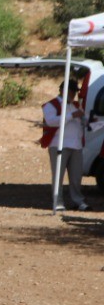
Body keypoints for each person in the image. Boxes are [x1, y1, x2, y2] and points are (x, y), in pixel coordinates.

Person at [43, 80, 89, 211]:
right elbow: (51, 121)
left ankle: (78, 200)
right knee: (58, 175)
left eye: (74, 91)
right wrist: (72, 115)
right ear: (63, 90)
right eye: (71, 91)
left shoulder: (75, 105)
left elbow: (82, 121)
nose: (73, 94)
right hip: (59, 144)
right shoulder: (51, 105)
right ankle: (58, 202)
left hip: (76, 145)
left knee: (76, 176)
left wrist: (86, 120)